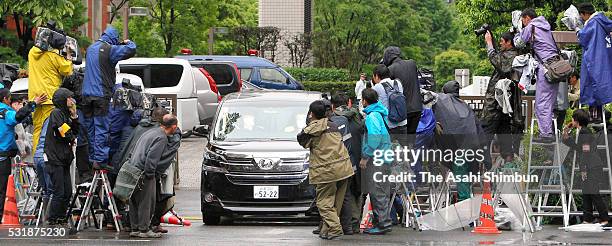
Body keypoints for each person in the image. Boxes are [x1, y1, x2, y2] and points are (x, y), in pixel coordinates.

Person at [297, 100, 354, 240]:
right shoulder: (334, 125)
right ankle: (326, 230)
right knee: (336, 203)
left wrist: (309, 122)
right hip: (344, 168)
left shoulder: (311, 130)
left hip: (326, 171)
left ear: (311, 114)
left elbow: (302, 140)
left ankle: (334, 229)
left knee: (323, 203)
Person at [82, 26, 136, 171]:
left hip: (86, 96)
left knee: (91, 128)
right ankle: (100, 160)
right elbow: (131, 49)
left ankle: (92, 158)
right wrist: (126, 42)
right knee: (102, 128)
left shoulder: (91, 48)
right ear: (113, 39)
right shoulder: (109, 49)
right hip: (101, 95)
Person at [128, 114, 178, 238]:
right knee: (146, 202)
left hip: (132, 168)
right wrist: (151, 174)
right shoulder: (161, 138)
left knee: (134, 200)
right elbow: (152, 158)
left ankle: (135, 228)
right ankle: (144, 230)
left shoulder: (150, 132)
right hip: (144, 172)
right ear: (173, 127)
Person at [516, 8, 560, 143]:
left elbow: (519, 42)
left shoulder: (531, 26)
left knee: (541, 102)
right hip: (556, 67)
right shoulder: (545, 26)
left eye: (522, 20)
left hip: (546, 67)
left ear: (527, 18)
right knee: (550, 100)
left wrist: (517, 30)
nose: (523, 23)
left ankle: (546, 134)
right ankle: (549, 130)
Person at [0, 89, 44, 221]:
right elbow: (17, 117)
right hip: (2, 157)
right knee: (3, 189)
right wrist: (33, 104)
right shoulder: (5, 111)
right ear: (5, 99)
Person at [562, 109, 610, 227]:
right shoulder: (583, 131)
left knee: (593, 192)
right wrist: (566, 135)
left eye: (573, 119)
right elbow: (581, 148)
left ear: (576, 120)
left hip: (591, 166)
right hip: (591, 165)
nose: (571, 121)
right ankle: (587, 218)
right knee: (587, 192)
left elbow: (585, 151)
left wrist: (583, 169)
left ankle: (605, 218)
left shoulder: (584, 132)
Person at [28, 30, 73, 154]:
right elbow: (67, 70)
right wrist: (68, 56)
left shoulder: (32, 53)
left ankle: (37, 158)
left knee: (37, 130)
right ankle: (46, 157)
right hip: (50, 98)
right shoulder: (54, 56)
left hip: (35, 99)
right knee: (50, 131)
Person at [481, 31, 522, 158]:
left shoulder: (512, 55)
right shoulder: (507, 54)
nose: (500, 43)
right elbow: (499, 59)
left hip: (497, 104)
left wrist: (489, 43)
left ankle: (481, 163)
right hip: (502, 104)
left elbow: (499, 64)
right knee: (503, 133)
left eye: (501, 41)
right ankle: (508, 163)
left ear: (509, 42)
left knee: (485, 132)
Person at [359, 88, 393, 235]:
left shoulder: (372, 116)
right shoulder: (379, 114)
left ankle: (383, 224)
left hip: (377, 159)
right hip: (385, 158)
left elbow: (374, 138)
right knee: (382, 191)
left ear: (365, 101)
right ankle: (383, 221)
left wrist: (365, 156)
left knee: (377, 191)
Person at [330, 92, 364, 234]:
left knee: (342, 194)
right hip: (361, 160)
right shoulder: (358, 118)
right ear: (349, 102)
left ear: (332, 106)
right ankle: (354, 224)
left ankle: (339, 225)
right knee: (356, 193)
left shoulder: (334, 122)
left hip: (342, 163)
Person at [44, 88, 79, 226]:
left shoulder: (67, 115)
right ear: (63, 100)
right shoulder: (56, 113)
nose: (72, 100)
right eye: (70, 98)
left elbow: (75, 131)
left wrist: (75, 116)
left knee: (68, 191)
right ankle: (53, 219)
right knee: (59, 191)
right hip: (54, 158)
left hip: (64, 158)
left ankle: (61, 217)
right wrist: (71, 137)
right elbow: (63, 131)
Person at [576, 3, 612, 109]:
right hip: (605, 58)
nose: (581, 18)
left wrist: (577, 30)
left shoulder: (593, 22)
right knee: (602, 84)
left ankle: (594, 118)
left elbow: (583, 37)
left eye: (581, 15)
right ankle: (600, 118)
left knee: (592, 85)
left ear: (586, 13)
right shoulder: (603, 20)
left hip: (595, 59)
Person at [381, 46, 422, 135]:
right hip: (417, 107)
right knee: (412, 136)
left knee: (402, 139)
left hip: (402, 110)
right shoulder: (412, 63)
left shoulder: (390, 69)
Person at [371, 64, 408, 146]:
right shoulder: (398, 83)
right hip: (402, 122)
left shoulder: (377, 87)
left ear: (376, 76)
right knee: (406, 150)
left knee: (387, 151)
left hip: (388, 125)